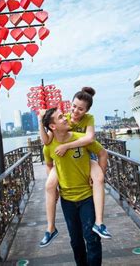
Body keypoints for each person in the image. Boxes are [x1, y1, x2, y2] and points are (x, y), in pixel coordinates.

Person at [39, 87, 111, 249]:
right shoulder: (66, 119)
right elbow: (47, 140)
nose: (75, 111)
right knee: (49, 186)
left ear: (87, 110)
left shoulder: (88, 119)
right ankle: (50, 228)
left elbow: (90, 138)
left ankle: (99, 223)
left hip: (87, 157)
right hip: (65, 165)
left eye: (80, 109)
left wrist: (67, 146)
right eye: (73, 107)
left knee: (99, 179)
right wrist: (40, 120)